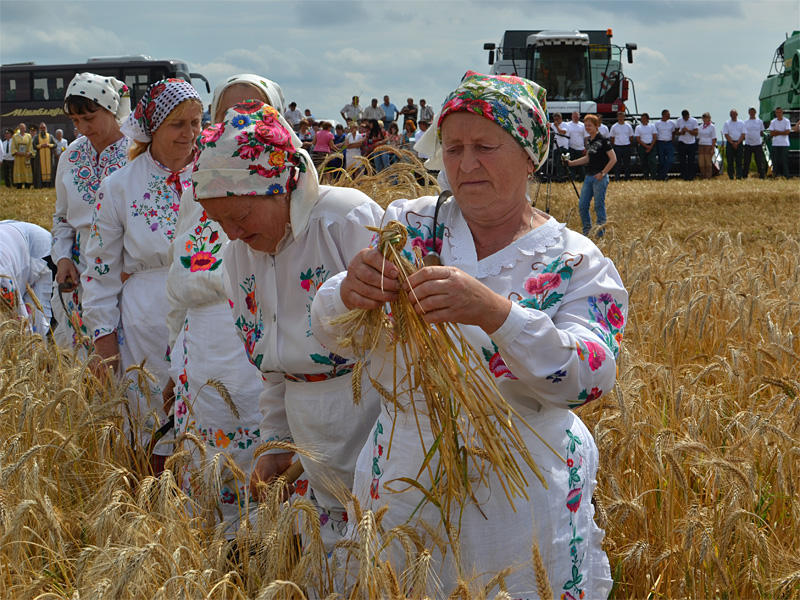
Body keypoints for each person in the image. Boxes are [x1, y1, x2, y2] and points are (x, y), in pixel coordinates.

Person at [311, 71, 626, 597]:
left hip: (523, 482)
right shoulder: (409, 225)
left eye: (485, 146)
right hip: (404, 474)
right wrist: (348, 292)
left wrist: (496, 313)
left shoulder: (573, 259)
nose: (465, 163)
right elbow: (330, 333)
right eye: (452, 147)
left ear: (531, 153)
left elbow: (590, 377)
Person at [191, 100, 383, 550]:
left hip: (371, 419)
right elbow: (273, 367)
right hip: (311, 438)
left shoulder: (344, 220)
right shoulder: (240, 255)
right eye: (220, 222)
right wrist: (277, 444)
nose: (233, 233)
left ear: (276, 186)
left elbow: (397, 340)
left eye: (239, 217)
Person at [165, 74, 283, 533]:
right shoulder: (196, 189)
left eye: (253, 113)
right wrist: (174, 352)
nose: (239, 124)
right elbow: (179, 275)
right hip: (202, 350)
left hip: (257, 352)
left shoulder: (292, 190)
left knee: (260, 465)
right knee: (205, 466)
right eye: (227, 116)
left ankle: (262, 548)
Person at [81, 79, 203, 472]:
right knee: (152, 425)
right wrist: (104, 343)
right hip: (146, 324)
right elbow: (99, 270)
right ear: (153, 127)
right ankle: (153, 519)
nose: (190, 134)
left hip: (209, 314)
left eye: (197, 123)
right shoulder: (120, 185)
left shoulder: (216, 174)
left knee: (209, 422)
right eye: (178, 124)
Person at [51, 73, 132, 350]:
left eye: (89, 118)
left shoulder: (136, 153)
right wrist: (62, 259)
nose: (83, 128)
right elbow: (62, 218)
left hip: (127, 275)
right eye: (75, 121)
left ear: (110, 109)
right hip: (80, 277)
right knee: (86, 367)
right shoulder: (70, 156)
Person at [0, 220, 53, 338]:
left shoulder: (3, 280)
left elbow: (20, 321)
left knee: (37, 326)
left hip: (37, 249)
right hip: (11, 240)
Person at [567, 114, 617, 237]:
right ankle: (587, 232)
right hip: (589, 176)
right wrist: (571, 163)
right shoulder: (589, 140)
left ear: (596, 126)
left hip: (600, 177)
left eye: (590, 125)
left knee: (599, 206)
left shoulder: (604, 140)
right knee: (582, 205)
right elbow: (588, 158)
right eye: (586, 125)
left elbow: (613, 159)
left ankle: (600, 234)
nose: (587, 127)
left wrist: (603, 173)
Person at [742, 107, 766, 179]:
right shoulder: (745, 122)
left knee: (759, 161)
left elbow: (762, 132)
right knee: (746, 161)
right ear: (749, 113)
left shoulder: (759, 122)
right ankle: (744, 175)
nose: (752, 113)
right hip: (748, 143)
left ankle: (762, 175)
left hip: (757, 144)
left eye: (753, 112)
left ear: (755, 113)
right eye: (750, 112)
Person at [722, 109, 746, 179]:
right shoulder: (727, 123)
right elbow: (726, 134)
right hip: (730, 143)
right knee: (730, 161)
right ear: (730, 115)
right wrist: (732, 143)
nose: (733, 115)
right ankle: (731, 175)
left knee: (739, 160)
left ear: (737, 114)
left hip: (739, 143)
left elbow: (743, 134)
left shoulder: (741, 123)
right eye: (732, 114)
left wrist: (737, 143)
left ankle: (739, 175)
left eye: (734, 114)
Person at [675, 109, 698, 180]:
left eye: (686, 117)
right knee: (682, 161)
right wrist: (681, 132)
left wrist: (688, 130)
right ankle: (684, 176)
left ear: (688, 115)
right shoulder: (679, 120)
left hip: (691, 143)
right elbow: (676, 131)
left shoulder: (694, 121)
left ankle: (691, 176)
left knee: (691, 161)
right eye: (684, 118)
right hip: (682, 142)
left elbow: (696, 133)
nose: (685, 119)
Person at [609, 111, 633, 181]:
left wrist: (628, 143)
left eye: (622, 116)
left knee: (627, 163)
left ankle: (627, 178)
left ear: (624, 117)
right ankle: (617, 178)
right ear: (617, 117)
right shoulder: (614, 127)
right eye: (619, 116)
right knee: (617, 164)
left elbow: (631, 137)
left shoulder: (628, 126)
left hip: (626, 146)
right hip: (617, 146)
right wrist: (615, 145)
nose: (621, 118)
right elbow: (612, 137)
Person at [768, 106, 791, 178]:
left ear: (782, 112)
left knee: (784, 161)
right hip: (775, 144)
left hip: (784, 144)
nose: (778, 114)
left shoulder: (786, 121)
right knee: (775, 161)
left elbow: (787, 132)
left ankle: (786, 175)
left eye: (779, 112)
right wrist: (781, 132)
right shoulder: (773, 122)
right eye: (777, 113)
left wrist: (777, 132)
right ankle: (775, 175)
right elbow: (771, 133)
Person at [32, 122, 56, 188]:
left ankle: (50, 185)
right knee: (39, 171)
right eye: (41, 128)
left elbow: (55, 145)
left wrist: (49, 145)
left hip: (49, 157)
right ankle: (40, 185)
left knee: (50, 170)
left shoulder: (50, 136)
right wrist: (40, 146)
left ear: (46, 128)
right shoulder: (36, 137)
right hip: (40, 158)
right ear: (39, 129)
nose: (43, 129)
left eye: (44, 128)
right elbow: (34, 146)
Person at [654, 109, 677, 180]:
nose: (669, 116)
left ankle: (661, 175)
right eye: (668, 114)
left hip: (669, 143)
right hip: (660, 143)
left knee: (670, 160)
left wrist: (672, 140)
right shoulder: (657, 123)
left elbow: (673, 133)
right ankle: (663, 176)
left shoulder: (672, 123)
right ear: (663, 115)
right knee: (661, 161)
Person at [634, 113, 657, 180]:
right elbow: (638, 139)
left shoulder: (652, 126)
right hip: (642, 146)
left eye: (644, 118)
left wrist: (650, 146)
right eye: (642, 118)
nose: (643, 120)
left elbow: (655, 137)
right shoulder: (638, 127)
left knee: (653, 162)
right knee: (643, 162)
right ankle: (646, 176)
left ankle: (653, 176)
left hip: (651, 145)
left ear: (648, 119)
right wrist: (646, 146)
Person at [11, 123, 33, 189]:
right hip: (18, 157)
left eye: (23, 128)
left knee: (27, 170)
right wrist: (16, 152)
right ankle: (19, 184)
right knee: (19, 170)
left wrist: (29, 153)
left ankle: (27, 184)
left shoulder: (28, 136)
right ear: (19, 128)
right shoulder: (15, 136)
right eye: (21, 128)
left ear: (25, 129)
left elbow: (30, 145)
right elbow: (13, 146)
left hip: (26, 157)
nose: (22, 129)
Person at [565, 110, 587, 179]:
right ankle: (572, 179)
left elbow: (586, 137)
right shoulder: (568, 124)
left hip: (580, 148)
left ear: (579, 117)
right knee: (571, 164)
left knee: (581, 165)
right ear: (571, 116)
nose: (575, 117)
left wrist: (585, 148)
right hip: (571, 147)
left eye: (577, 116)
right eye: (574, 116)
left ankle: (582, 179)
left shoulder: (583, 125)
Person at [549, 112, 570, 181]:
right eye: (555, 119)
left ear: (561, 118)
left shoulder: (565, 124)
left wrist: (557, 126)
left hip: (563, 147)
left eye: (557, 119)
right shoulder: (554, 124)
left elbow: (562, 132)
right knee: (556, 163)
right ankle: (558, 176)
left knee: (561, 162)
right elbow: (548, 125)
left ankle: (562, 178)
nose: (556, 121)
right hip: (556, 147)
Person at [697, 112, 717, 180]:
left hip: (708, 145)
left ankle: (708, 176)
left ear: (709, 118)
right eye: (703, 118)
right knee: (701, 161)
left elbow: (714, 138)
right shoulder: (700, 127)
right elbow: (698, 136)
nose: (704, 119)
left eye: (706, 118)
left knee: (708, 161)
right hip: (701, 145)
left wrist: (712, 148)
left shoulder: (712, 127)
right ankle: (703, 175)